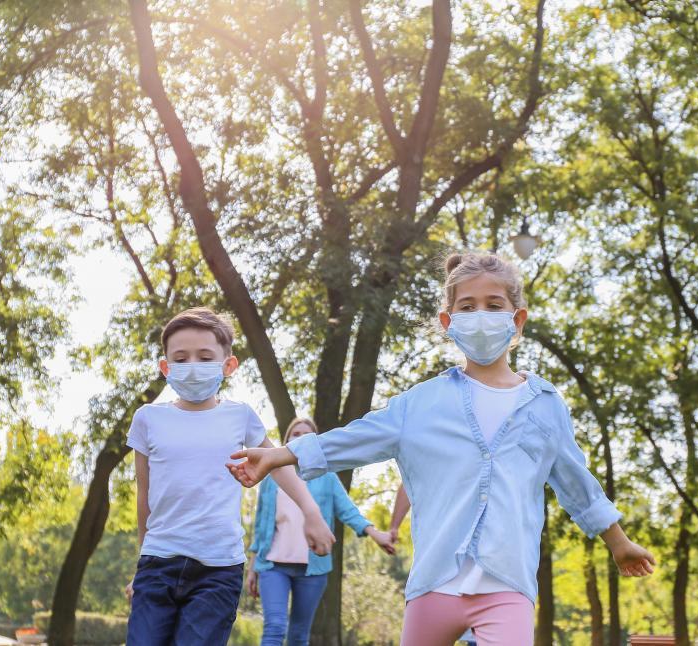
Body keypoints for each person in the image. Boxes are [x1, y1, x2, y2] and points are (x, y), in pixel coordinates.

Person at [227, 252, 656, 646]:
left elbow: (578, 484)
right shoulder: (422, 403)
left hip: (507, 585)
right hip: (433, 583)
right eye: (467, 307)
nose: (481, 315)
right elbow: (355, 437)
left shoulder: (544, 406)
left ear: (517, 319)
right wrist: (280, 454)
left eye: (493, 305)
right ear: (448, 322)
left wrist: (618, 542)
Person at [125, 307, 335, 646]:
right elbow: (144, 495)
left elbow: (277, 464)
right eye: (180, 358)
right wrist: (141, 566)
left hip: (218, 569)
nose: (192, 365)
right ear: (165, 368)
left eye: (204, 356)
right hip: (158, 562)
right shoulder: (148, 419)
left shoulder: (240, 416)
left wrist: (311, 512)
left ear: (228, 365)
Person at [247, 417, 396, 646]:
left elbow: (348, 511)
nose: (300, 438)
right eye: (295, 434)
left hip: (313, 570)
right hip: (272, 565)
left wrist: (375, 534)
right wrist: (252, 567)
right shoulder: (271, 477)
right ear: (287, 440)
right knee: (274, 628)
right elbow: (261, 526)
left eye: (307, 435)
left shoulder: (326, 476)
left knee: (299, 635)